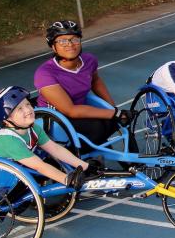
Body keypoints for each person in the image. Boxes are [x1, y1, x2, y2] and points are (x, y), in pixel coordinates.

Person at [34, 20, 132, 149]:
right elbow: (71, 110)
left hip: (81, 110)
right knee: (98, 127)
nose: (70, 44)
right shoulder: (45, 74)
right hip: (56, 120)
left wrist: (113, 108)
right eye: (63, 41)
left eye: (74, 39)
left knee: (120, 123)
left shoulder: (89, 60)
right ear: (53, 46)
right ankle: (86, 159)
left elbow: (95, 81)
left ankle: (134, 164)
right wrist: (116, 114)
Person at [0, 86, 93, 191]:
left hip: (10, 169)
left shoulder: (33, 128)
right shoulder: (8, 141)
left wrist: (85, 166)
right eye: (19, 109)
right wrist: (66, 179)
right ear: (6, 121)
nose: (28, 110)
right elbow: (39, 166)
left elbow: (55, 149)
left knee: (47, 158)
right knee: (39, 166)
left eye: (27, 104)